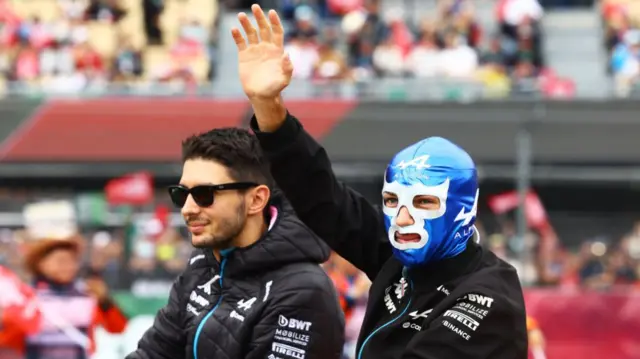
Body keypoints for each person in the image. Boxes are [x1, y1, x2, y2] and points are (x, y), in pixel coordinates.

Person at [231, 4, 528, 359]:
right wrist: (268, 107)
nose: (402, 218)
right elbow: (323, 197)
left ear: (463, 210)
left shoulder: (488, 296)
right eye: (392, 202)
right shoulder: (400, 255)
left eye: (424, 203)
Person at [126, 128, 345, 359]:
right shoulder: (201, 267)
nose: (187, 209)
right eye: (181, 194)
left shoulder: (303, 290)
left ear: (256, 200)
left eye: (204, 194)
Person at [0, 236, 128, 359]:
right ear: (41, 264)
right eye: (61, 261)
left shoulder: (86, 297)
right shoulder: (26, 299)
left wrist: (105, 301)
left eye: (72, 261)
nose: (69, 266)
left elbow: (117, 329)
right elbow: (7, 341)